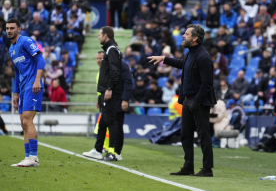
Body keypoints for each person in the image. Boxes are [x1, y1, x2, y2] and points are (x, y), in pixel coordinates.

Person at [148, 24, 216, 177]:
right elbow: (181, 63)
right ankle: (188, 167)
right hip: (187, 100)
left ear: (195, 38)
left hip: (199, 102)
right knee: (185, 135)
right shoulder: (190, 53)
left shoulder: (204, 57)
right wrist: (164, 59)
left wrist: (197, 101)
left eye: (186, 34)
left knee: (203, 135)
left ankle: (207, 169)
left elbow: (207, 84)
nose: (183, 36)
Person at [7, 18, 45, 167]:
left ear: (19, 29)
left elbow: (40, 60)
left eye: (12, 28)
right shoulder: (11, 49)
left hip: (32, 85)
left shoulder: (26, 41)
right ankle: (28, 156)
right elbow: (17, 72)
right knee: (23, 123)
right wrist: (16, 93)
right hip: (22, 88)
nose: (9, 30)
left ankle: (34, 158)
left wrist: (37, 80)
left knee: (27, 121)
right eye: (7, 28)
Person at [83, 50, 133, 160]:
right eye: (97, 58)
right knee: (103, 124)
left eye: (101, 58)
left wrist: (125, 99)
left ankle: (115, 152)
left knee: (116, 125)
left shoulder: (121, 65)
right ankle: (99, 149)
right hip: (108, 101)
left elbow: (128, 82)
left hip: (117, 100)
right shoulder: (106, 67)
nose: (100, 60)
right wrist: (99, 100)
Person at [95, 26, 122, 161]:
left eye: (100, 34)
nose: (98, 37)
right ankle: (97, 149)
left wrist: (109, 88)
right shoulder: (110, 49)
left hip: (109, 92)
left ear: (106, 36)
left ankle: (112, 152)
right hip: (105, 92)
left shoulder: (111, 50)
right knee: (104, 121)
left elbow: (115, 71)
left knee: (111, 121)